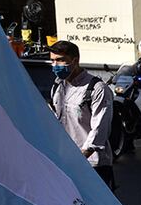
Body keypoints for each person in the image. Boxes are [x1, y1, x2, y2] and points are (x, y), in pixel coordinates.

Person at [49, 40, 115, 189]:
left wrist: (80, 158)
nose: (55, 65)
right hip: (65, 163)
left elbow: (100, 129)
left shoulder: (97, 88)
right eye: (52, 60)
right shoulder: (58, 86)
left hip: (92, 165)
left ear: (75, 60)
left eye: (60, 60)